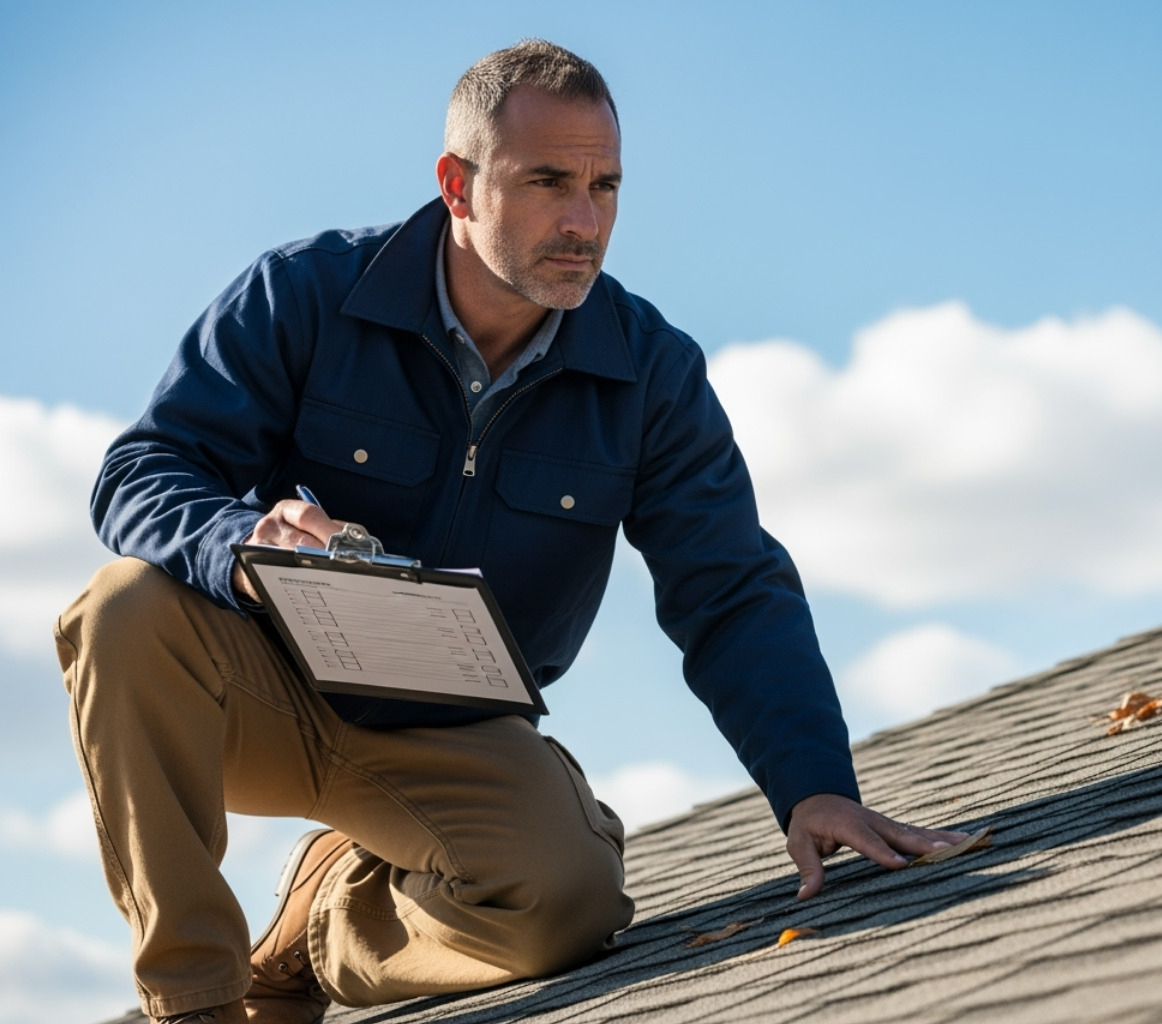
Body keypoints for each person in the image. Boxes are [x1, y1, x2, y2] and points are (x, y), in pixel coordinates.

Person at [57, 40, 966, 1024]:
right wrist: (241, 542)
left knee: (567, 904)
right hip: (258, 692)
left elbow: (731, 586)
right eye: (546, 182)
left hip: (452, 724)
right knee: (124, 608)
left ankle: (322, 921)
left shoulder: (650, 371)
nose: (584, 221)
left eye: (604, 185)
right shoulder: (301, 295)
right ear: (457, 184)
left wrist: (813, 788)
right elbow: (141, 473)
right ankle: (193, 999)